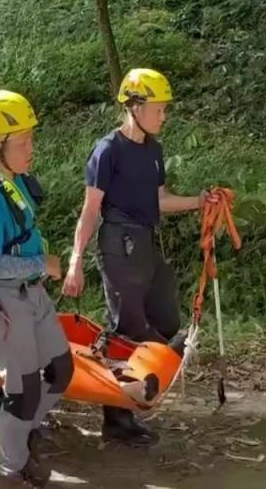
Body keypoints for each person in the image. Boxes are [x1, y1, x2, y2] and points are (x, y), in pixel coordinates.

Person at [61, 69, 198, 447]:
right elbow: (90, 210)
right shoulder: (108, 150)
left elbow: (159, 200)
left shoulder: (153, 150)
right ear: (134, 107)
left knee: (168, 321)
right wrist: (75, 261)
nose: (163, 115)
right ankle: (117, 416)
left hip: (146, 242)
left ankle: (140, 390)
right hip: (117, 243)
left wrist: (200, 202)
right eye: (158, 108)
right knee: (127, 329)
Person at [0, 90, 73, 488]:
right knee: (21, 390)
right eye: (22, 142)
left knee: (60, 370)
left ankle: (15, 439)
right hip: (2, 302)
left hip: (30, 293)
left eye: (30, 139)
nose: (31, 149)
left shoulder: (9, 178)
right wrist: (43, 263)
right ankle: (9, 470)